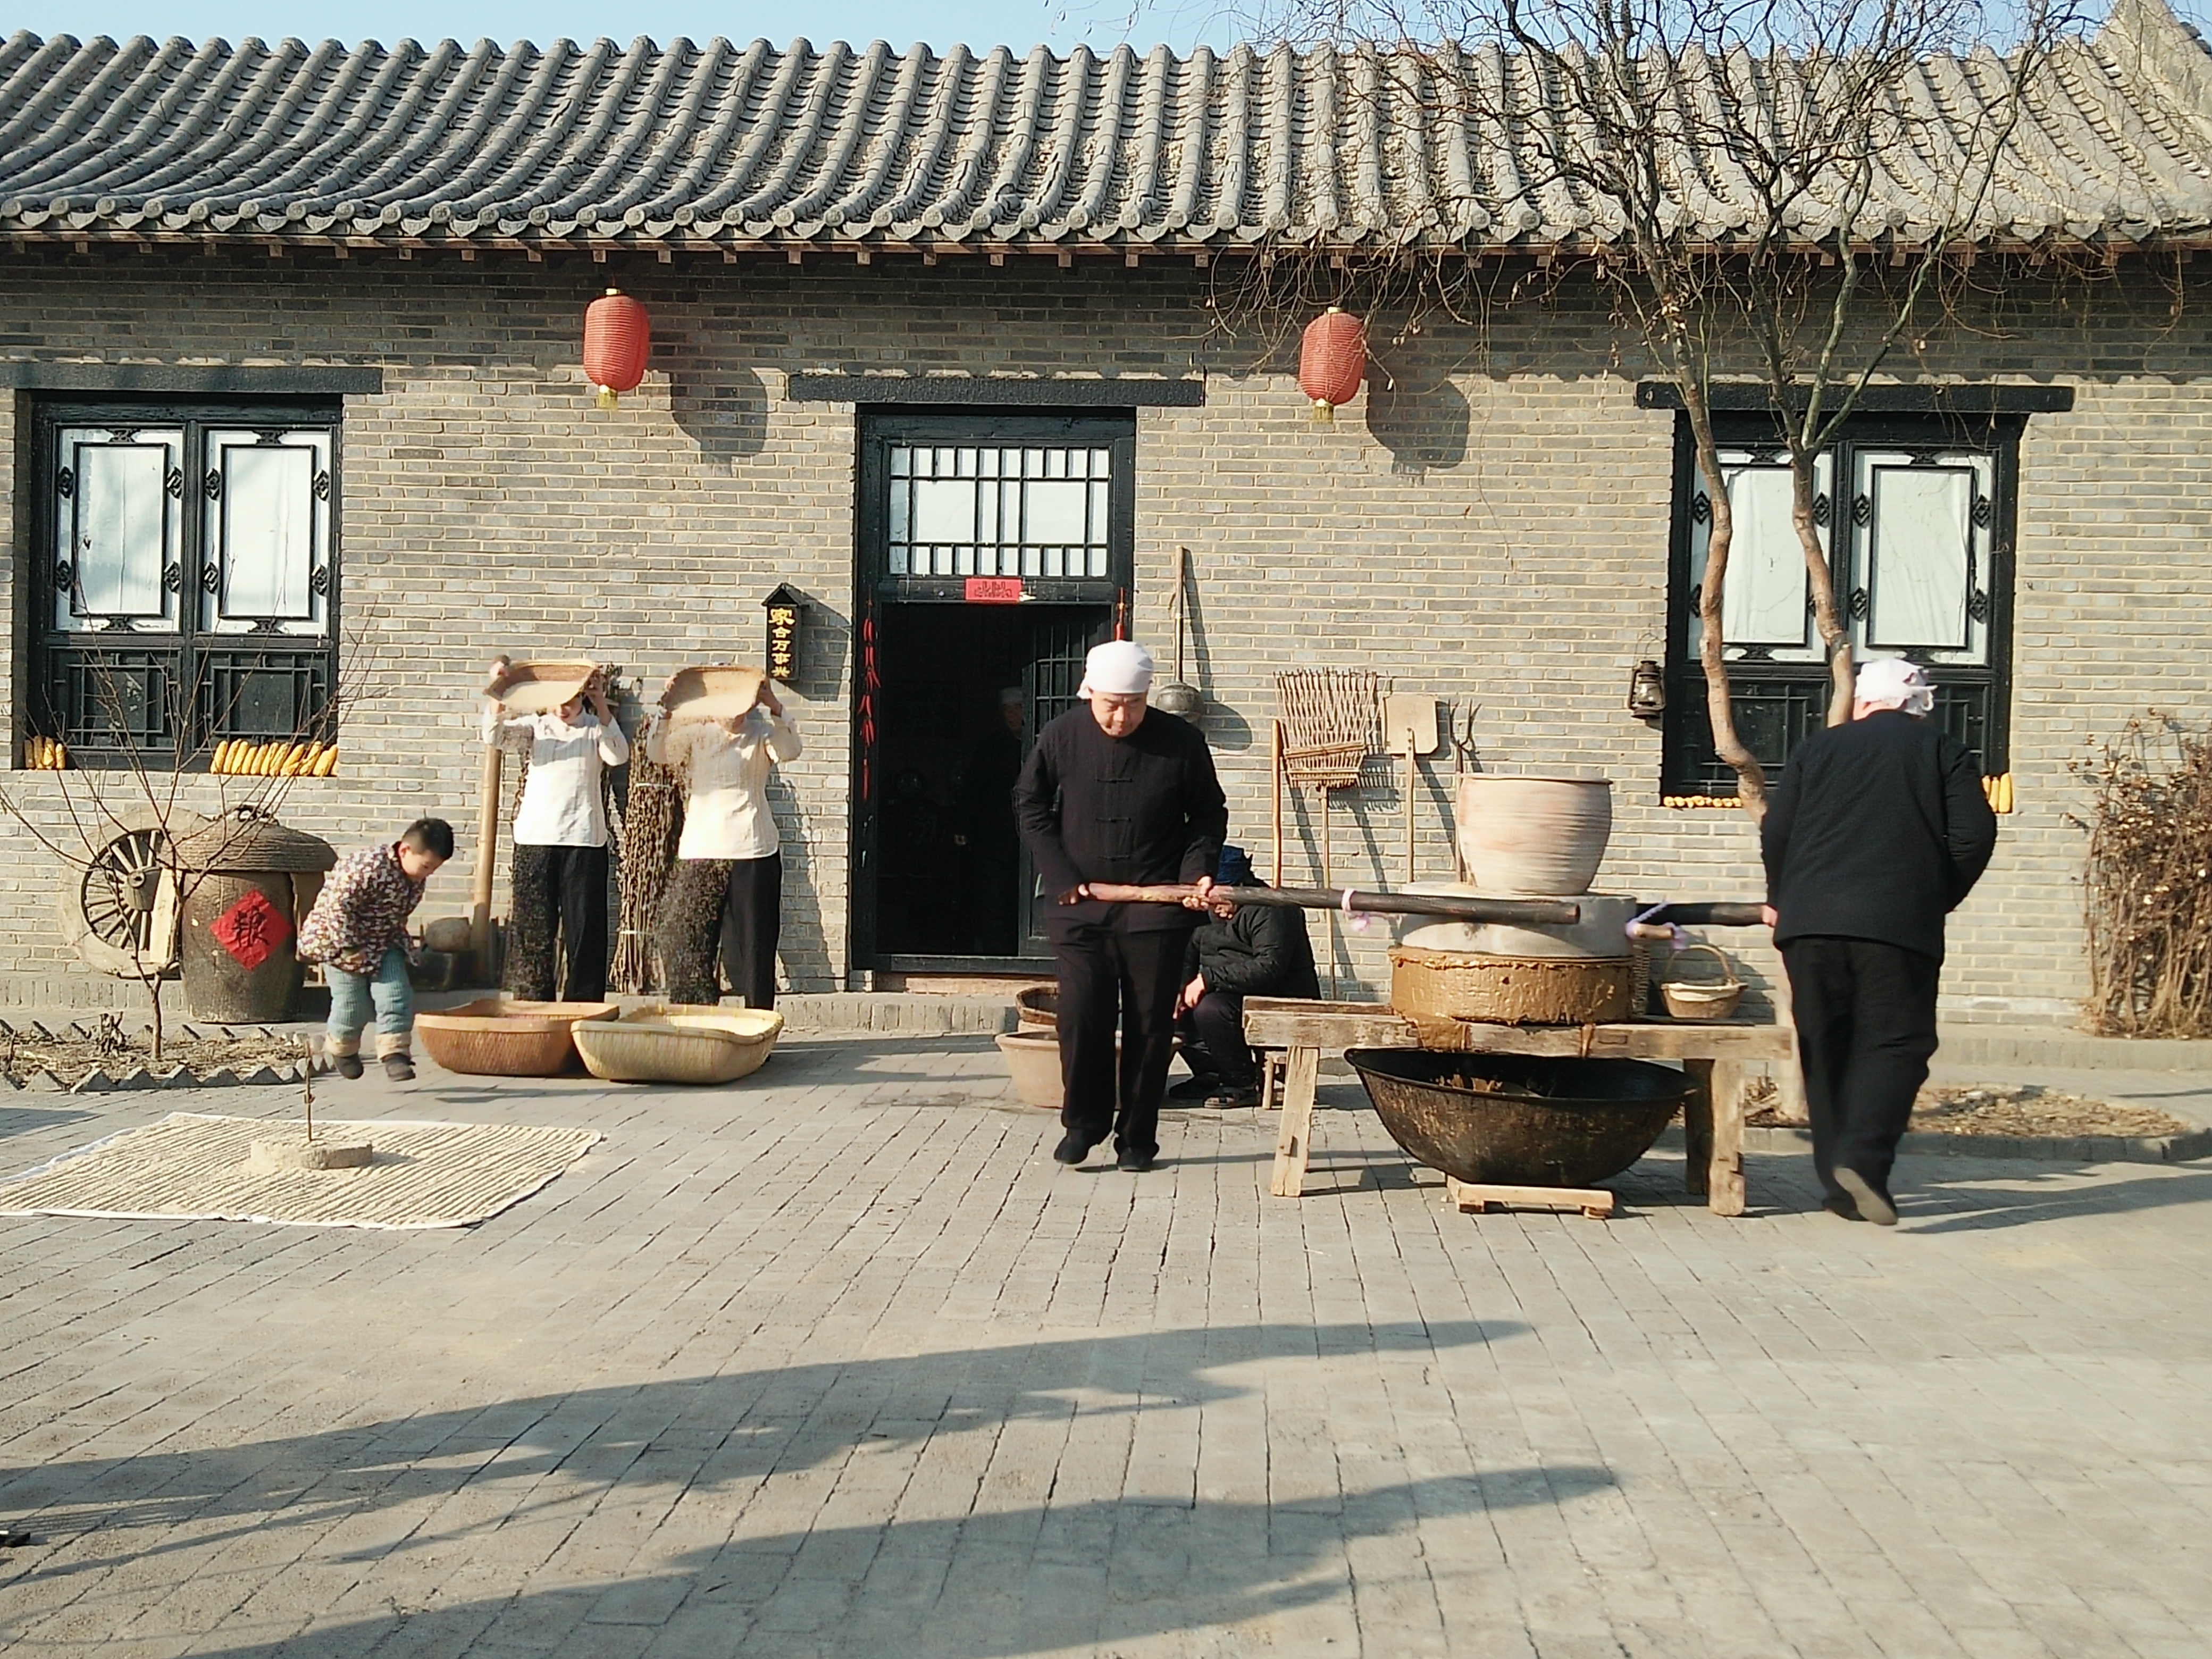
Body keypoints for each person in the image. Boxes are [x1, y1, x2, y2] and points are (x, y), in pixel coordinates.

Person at [1761, 656, 1998, 1226]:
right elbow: (1973, 836)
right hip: (1897, 926)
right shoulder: (1943, 751)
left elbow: (1777, 830)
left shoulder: (1816, 749)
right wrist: (1933, 897)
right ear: (1919, 706)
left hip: (1809, 925)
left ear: (1863, 702)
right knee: (1895, 1043)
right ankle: (1863, 1162)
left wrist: (1781, 896)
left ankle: (1839, 1187)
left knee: (1826, 1047)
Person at [1014, 640, 1227, 1172]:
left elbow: (1208, 814)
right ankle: (1082, 1123)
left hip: (1156, 907)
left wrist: (1194, 873)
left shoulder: (1181, 742)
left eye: (1133, 705)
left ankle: (1136, 1139)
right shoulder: (1061, 734)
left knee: (1150, 1025)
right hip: (1080, 903)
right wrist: (1059, 873)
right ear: (1090, 694)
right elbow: (1030, 803)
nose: (1121, 716)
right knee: (1080, 1014)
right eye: (1111, 705)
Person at [648, 677, 801, 1008]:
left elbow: (791, 749)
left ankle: (759, 1021)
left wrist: (776, 707)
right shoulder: (695, 734)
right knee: (693, 943)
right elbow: (657, 753)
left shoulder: (761, 735)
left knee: (757, 946)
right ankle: (696, 1020)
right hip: (701, 851)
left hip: (753, 850)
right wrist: (667, 709)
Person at [482, 667, 629, 1002]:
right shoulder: (536, 727)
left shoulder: (595, 728)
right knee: (533, 928)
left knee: (586, 930)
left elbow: (618, 755)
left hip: (584, 840)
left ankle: (583, 1005)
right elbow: (495, 736)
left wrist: (601, 705)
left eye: (571, 701)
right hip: (536, 839)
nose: (563, 709)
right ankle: (532, 1001)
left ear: (581, 698)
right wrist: (499, 694)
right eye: (557, 702)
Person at [299, 817, 454, 1082]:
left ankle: (395, 1053)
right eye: (426, 866)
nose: (428, 874)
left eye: (434, 868)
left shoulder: (414, 877)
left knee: (396, 993)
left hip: (384, 942)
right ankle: (343, 1048)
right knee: (353, 1004)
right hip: (339, 943)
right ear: (405, 850)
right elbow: (337, 907)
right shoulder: (366, 866)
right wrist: (349, 946)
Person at [1174, 844, 1320, 1107]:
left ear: (1238, 887)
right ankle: (1210, 1071)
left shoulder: (1272, 908)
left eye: (1220, 900)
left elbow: (1268, 968)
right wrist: (1179, 989)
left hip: (1276, 995)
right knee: (1169, 1007)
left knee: (1211, 1009)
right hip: (1227, 990)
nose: (1215, 908)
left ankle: (1240, 1083)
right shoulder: (1205, 910)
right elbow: (1187, 958)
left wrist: (1208, 979)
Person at [954, 686, 1025, 956]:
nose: (1012, 715)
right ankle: (998, 954)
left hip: (1032, 838)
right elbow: (973, 788)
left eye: (1017, 708)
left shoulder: (1042, 742)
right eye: (1007, 710)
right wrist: (963, 826)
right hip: (994, 837)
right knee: (993, 899)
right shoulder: (991, 747)